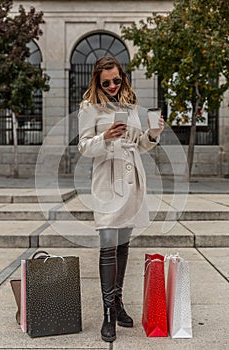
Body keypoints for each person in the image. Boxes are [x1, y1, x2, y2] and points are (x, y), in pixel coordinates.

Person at [78, 56, 164, 343]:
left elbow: (140, 143)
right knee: (107, 247)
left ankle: (117, 304)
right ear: (97, 82)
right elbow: (83, 147)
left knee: (124, 245)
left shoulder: (129, 104)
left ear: (122, 78)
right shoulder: (89, 106)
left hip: (131, 181)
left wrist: (153, 133)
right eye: (106, 82)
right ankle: (106, 313)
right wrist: (105, 136)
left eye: (116, 80)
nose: (112, 85)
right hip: (106, 180)